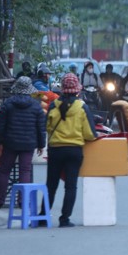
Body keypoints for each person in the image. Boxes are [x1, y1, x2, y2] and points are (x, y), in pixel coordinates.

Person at [44, 73, 97, 227]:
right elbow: (89, 134)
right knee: (70, 186)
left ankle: (43, 216)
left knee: (51, 185)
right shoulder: (82, 107)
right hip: (74, 150)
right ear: (77, 90)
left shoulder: (53, 105)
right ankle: (64, 219)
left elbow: (47, 127)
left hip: (55, 150)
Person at [0, 77, 46, 210]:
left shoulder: (7, 104)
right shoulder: (36, 106)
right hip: (28, 144)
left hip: (10, 143)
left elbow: (0, 125)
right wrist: (41, 145)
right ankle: (22, 201)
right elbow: (40, 127)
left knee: (4, 171)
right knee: (24, 171)